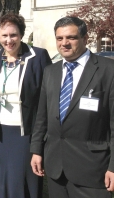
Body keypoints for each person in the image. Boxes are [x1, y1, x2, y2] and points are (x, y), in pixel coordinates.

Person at [30, 16, 114, 198]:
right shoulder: (51, 71)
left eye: (71, 38)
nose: (64, 43)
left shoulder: (108, 70)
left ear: (85, 39)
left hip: (93, 169)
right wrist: (36, 150)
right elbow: (42, 117)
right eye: (59, 38)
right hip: (56, 167)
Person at [0, 14, 51, 198]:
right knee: (1, 178)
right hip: (0, 133)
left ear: (21, 34)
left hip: (26, 133)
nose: (9, 40)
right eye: (4, 35)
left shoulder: (38, 57)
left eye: (13, 35)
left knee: (20, 179)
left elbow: (47, 97)